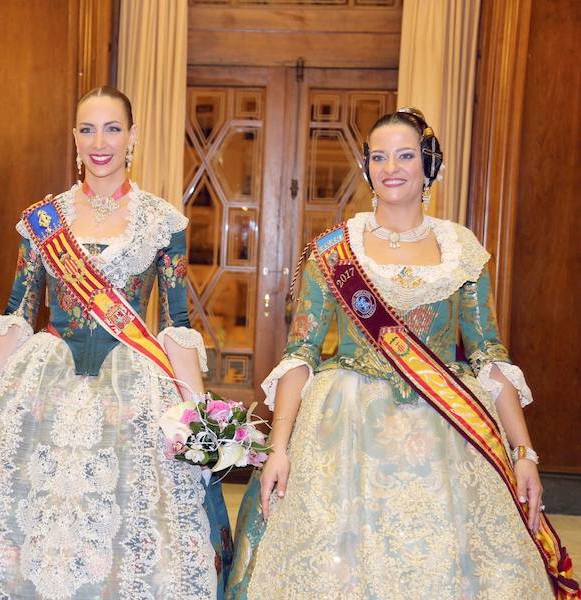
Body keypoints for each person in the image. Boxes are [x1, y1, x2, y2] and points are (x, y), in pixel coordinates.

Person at [235, 108, 577, 598]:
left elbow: (487, 354)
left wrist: (523, 452)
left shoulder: (461, 249)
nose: (390, 167)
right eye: (378, 156)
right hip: (345, 427)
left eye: (405, 155)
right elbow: (301, 352)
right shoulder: (334, 250)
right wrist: (280, 448)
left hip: (445, 427)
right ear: (367, 166)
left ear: (428, 164)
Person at [0, 86, 224, 599]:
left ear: (133, 137)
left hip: (134, 391)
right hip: (44, 384)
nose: (99, 141)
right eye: (87, 129)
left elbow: (176, 322)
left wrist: (201, 412)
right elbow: (18, 313)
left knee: (132, 528)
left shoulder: (161, 220)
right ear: (74, 138)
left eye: (112, 128)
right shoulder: (45, 220)